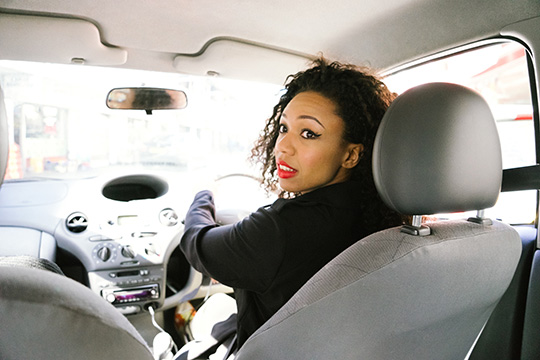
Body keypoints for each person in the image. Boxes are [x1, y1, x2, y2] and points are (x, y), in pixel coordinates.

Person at [180, 58, 404, 349]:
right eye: (284, 128)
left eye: (309, 133)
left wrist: (203, 195)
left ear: (351, 155)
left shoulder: (281, 230)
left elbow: (197, 244)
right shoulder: (391, 221)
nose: (282, 146)